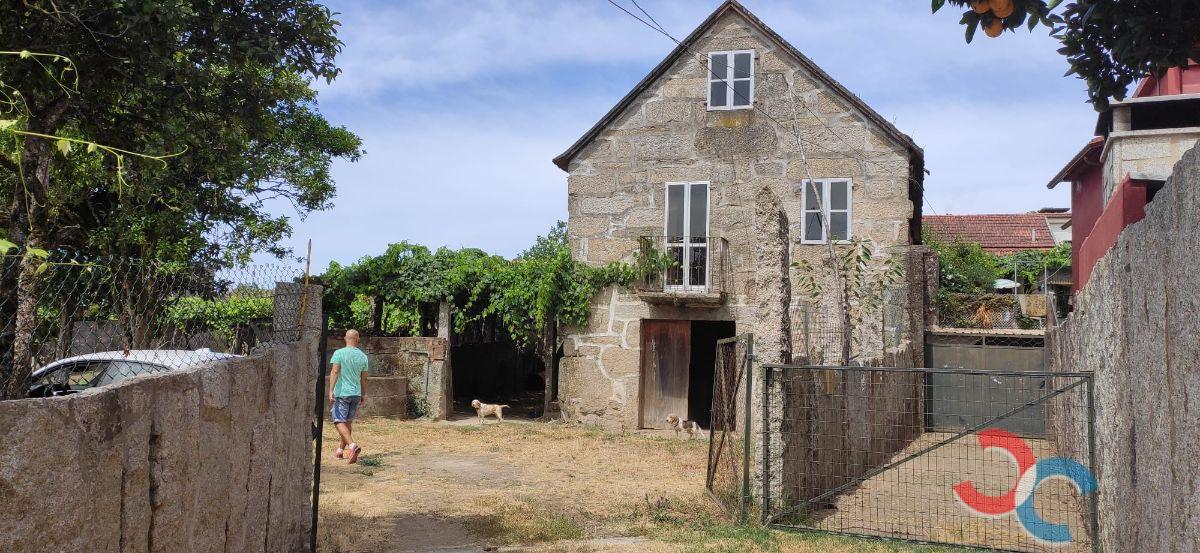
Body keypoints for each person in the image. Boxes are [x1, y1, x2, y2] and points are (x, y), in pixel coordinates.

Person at [328, 329, 369, 463]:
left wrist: (331, 390)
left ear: (345, 338)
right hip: (356, 393)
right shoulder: (363, 356)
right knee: (347, 423)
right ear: (358, 339)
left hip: (342, 393)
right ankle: (340, 450)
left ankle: (352, 445)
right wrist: (363, 394)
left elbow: (335, 371)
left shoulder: (339, 353)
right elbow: (364, 379)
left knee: (338, 421)